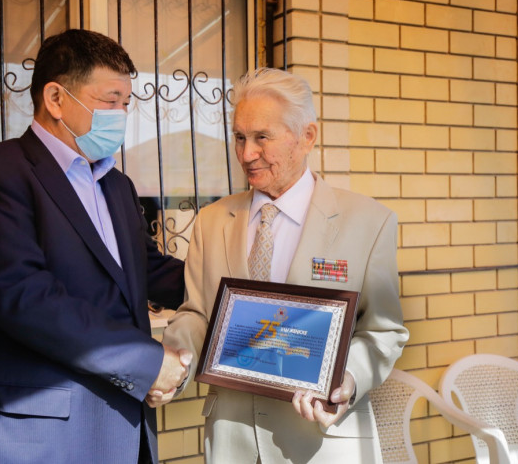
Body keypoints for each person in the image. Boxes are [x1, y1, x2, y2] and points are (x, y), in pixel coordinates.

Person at [0, 29, 191, 464]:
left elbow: (147, 270)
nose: (121, 114)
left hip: (120, 432)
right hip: (35, 438)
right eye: (110, 101)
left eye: (126, 103)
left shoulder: (116, 184)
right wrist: (148, 363)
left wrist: (236, 295)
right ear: (56, 99)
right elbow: (25, 297)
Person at [152, 67, 409, 463]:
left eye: (262, 137)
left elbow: (383, 330)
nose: (246, 154)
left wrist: (348, 379)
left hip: (323, 441)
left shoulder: (369, 222)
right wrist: (175, 362)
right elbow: (197, 314)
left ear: (307, 136)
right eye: (239, 137)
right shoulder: (211, 221)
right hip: (231, 440)